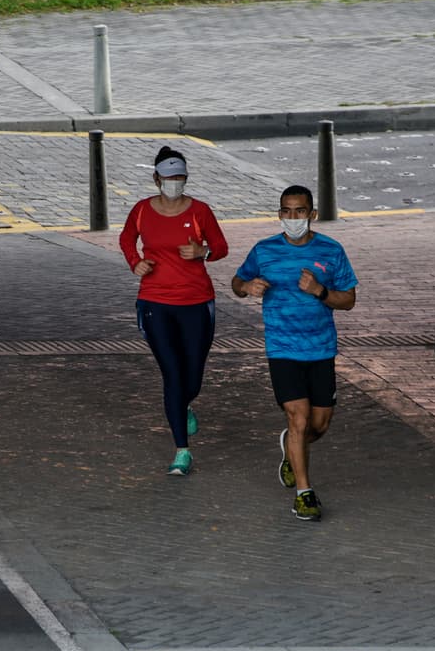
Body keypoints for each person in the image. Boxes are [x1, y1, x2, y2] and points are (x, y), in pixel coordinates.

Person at [231, 185, 358, 520]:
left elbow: (348, 299)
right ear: (279, 215)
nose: (292, 217)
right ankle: (305, 493)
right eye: (286, 211)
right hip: (282, 347)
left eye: (299, 211)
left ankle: (291, 447)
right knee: (298, 418)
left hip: (320, 348)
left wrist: (320, 291)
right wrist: (246, 288)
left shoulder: (331, 251)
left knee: (319, 424)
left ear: (312, 214)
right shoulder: (264, 251)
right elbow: (237, 281)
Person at [120, 146, 230, 476]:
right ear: (156, 178)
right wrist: (135, 263)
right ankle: (182, 450)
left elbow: (221, 248)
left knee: (192, 374)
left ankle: (185, 404)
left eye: (180, 177)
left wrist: (203, 251)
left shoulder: (200, 211)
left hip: (196, 302)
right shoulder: (141, 210)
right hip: (155, 302)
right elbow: (127, 239)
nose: (174, 183)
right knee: (172, 373)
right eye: (168, 177)